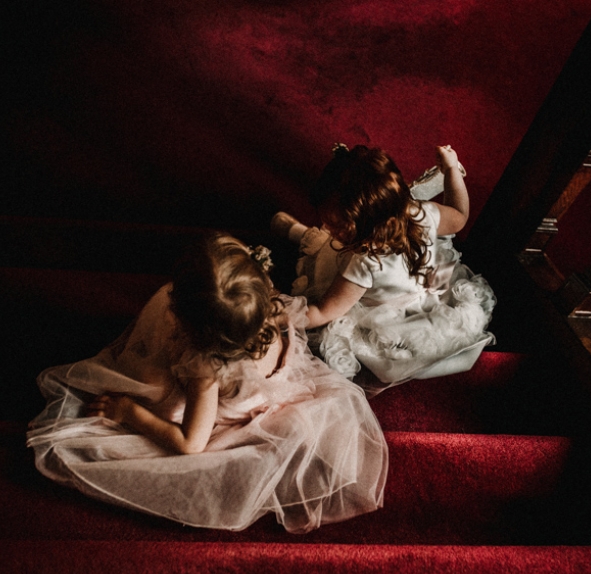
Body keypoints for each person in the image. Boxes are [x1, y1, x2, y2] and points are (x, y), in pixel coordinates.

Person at [27, 233, 388, 533]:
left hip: (241, 410)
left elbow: (190, 444)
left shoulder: (205, 369)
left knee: (138, 400)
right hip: (290, 385)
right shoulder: (270, 306)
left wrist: (128, 412)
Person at [272, 144, 496, 395]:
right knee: (330, 246)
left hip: (390, 318)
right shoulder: (419, 213)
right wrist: (452, 168)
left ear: (371, 227)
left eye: (336, 225)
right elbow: (459, 214)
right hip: (430, 288)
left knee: (326, 252)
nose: (328, 226)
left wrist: (280, 317)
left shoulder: (362, 262)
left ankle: (302, 234)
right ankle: (301, 233)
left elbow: (324, 311)